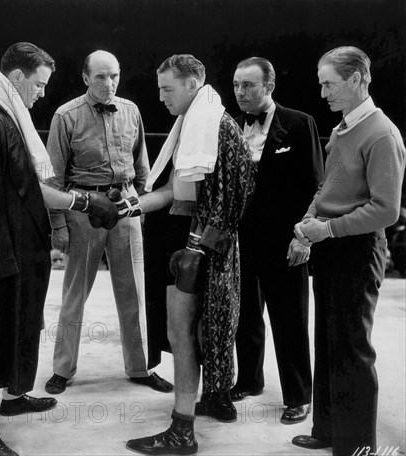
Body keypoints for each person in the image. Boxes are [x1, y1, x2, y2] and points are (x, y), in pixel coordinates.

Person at [0, 42, 118, 456]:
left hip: (21, 249)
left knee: (22, 324)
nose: (42, 93)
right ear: (16, 79)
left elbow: (27, 185)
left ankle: (12, 398)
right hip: (0, 255)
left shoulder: (10, 117)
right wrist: (83, 201)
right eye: (39, 84)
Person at [122, 54, 255, 455]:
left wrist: (197, 250)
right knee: (188, 333)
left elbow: (234, 198)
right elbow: (178, 190)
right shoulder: (198, 123)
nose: (161, 97)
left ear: (192, 85)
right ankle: (209, 400)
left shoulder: (213, 125)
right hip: (191, 240)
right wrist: (131, 206)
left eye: (168, 88)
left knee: (183, 334)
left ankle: (182, 431)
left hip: (201, 245)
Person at [292, 46, 405, 456]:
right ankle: (328, 430)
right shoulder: (343, 129)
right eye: (321, 84)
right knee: (328, 340)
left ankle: (357, 445)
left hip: (357, 250)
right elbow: (329, 187)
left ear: (357, 79)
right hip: (332, 247)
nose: (323, 93)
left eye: (329, 84)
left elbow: (386, 210)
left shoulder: (380, 133)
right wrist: (308, 222)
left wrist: (328, 229)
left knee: (353, 347)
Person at [43, 50, 173, 395]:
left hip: (126, 206)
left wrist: (139, 204)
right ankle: (62, 368)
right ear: (86, 78)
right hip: (83, 209)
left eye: (114, 75)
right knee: (74, 293)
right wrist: (58, 224)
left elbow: (143, 164)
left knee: (135, 291)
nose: (109, 83)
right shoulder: (66, 115)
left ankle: (141, 366)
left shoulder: (131, 110)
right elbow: (53, 177)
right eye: (100, 76)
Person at [220, 57, 324, 424]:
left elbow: (315, 186)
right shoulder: (231, 127)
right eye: (236, 85)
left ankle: (299, 395)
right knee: (245, 315)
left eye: (248, 85)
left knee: (289, 319)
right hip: (241, 240)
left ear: (269, 86)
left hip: (285, 240)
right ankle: (249, 380)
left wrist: (304, 238)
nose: (240, 92)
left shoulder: (298, 123)